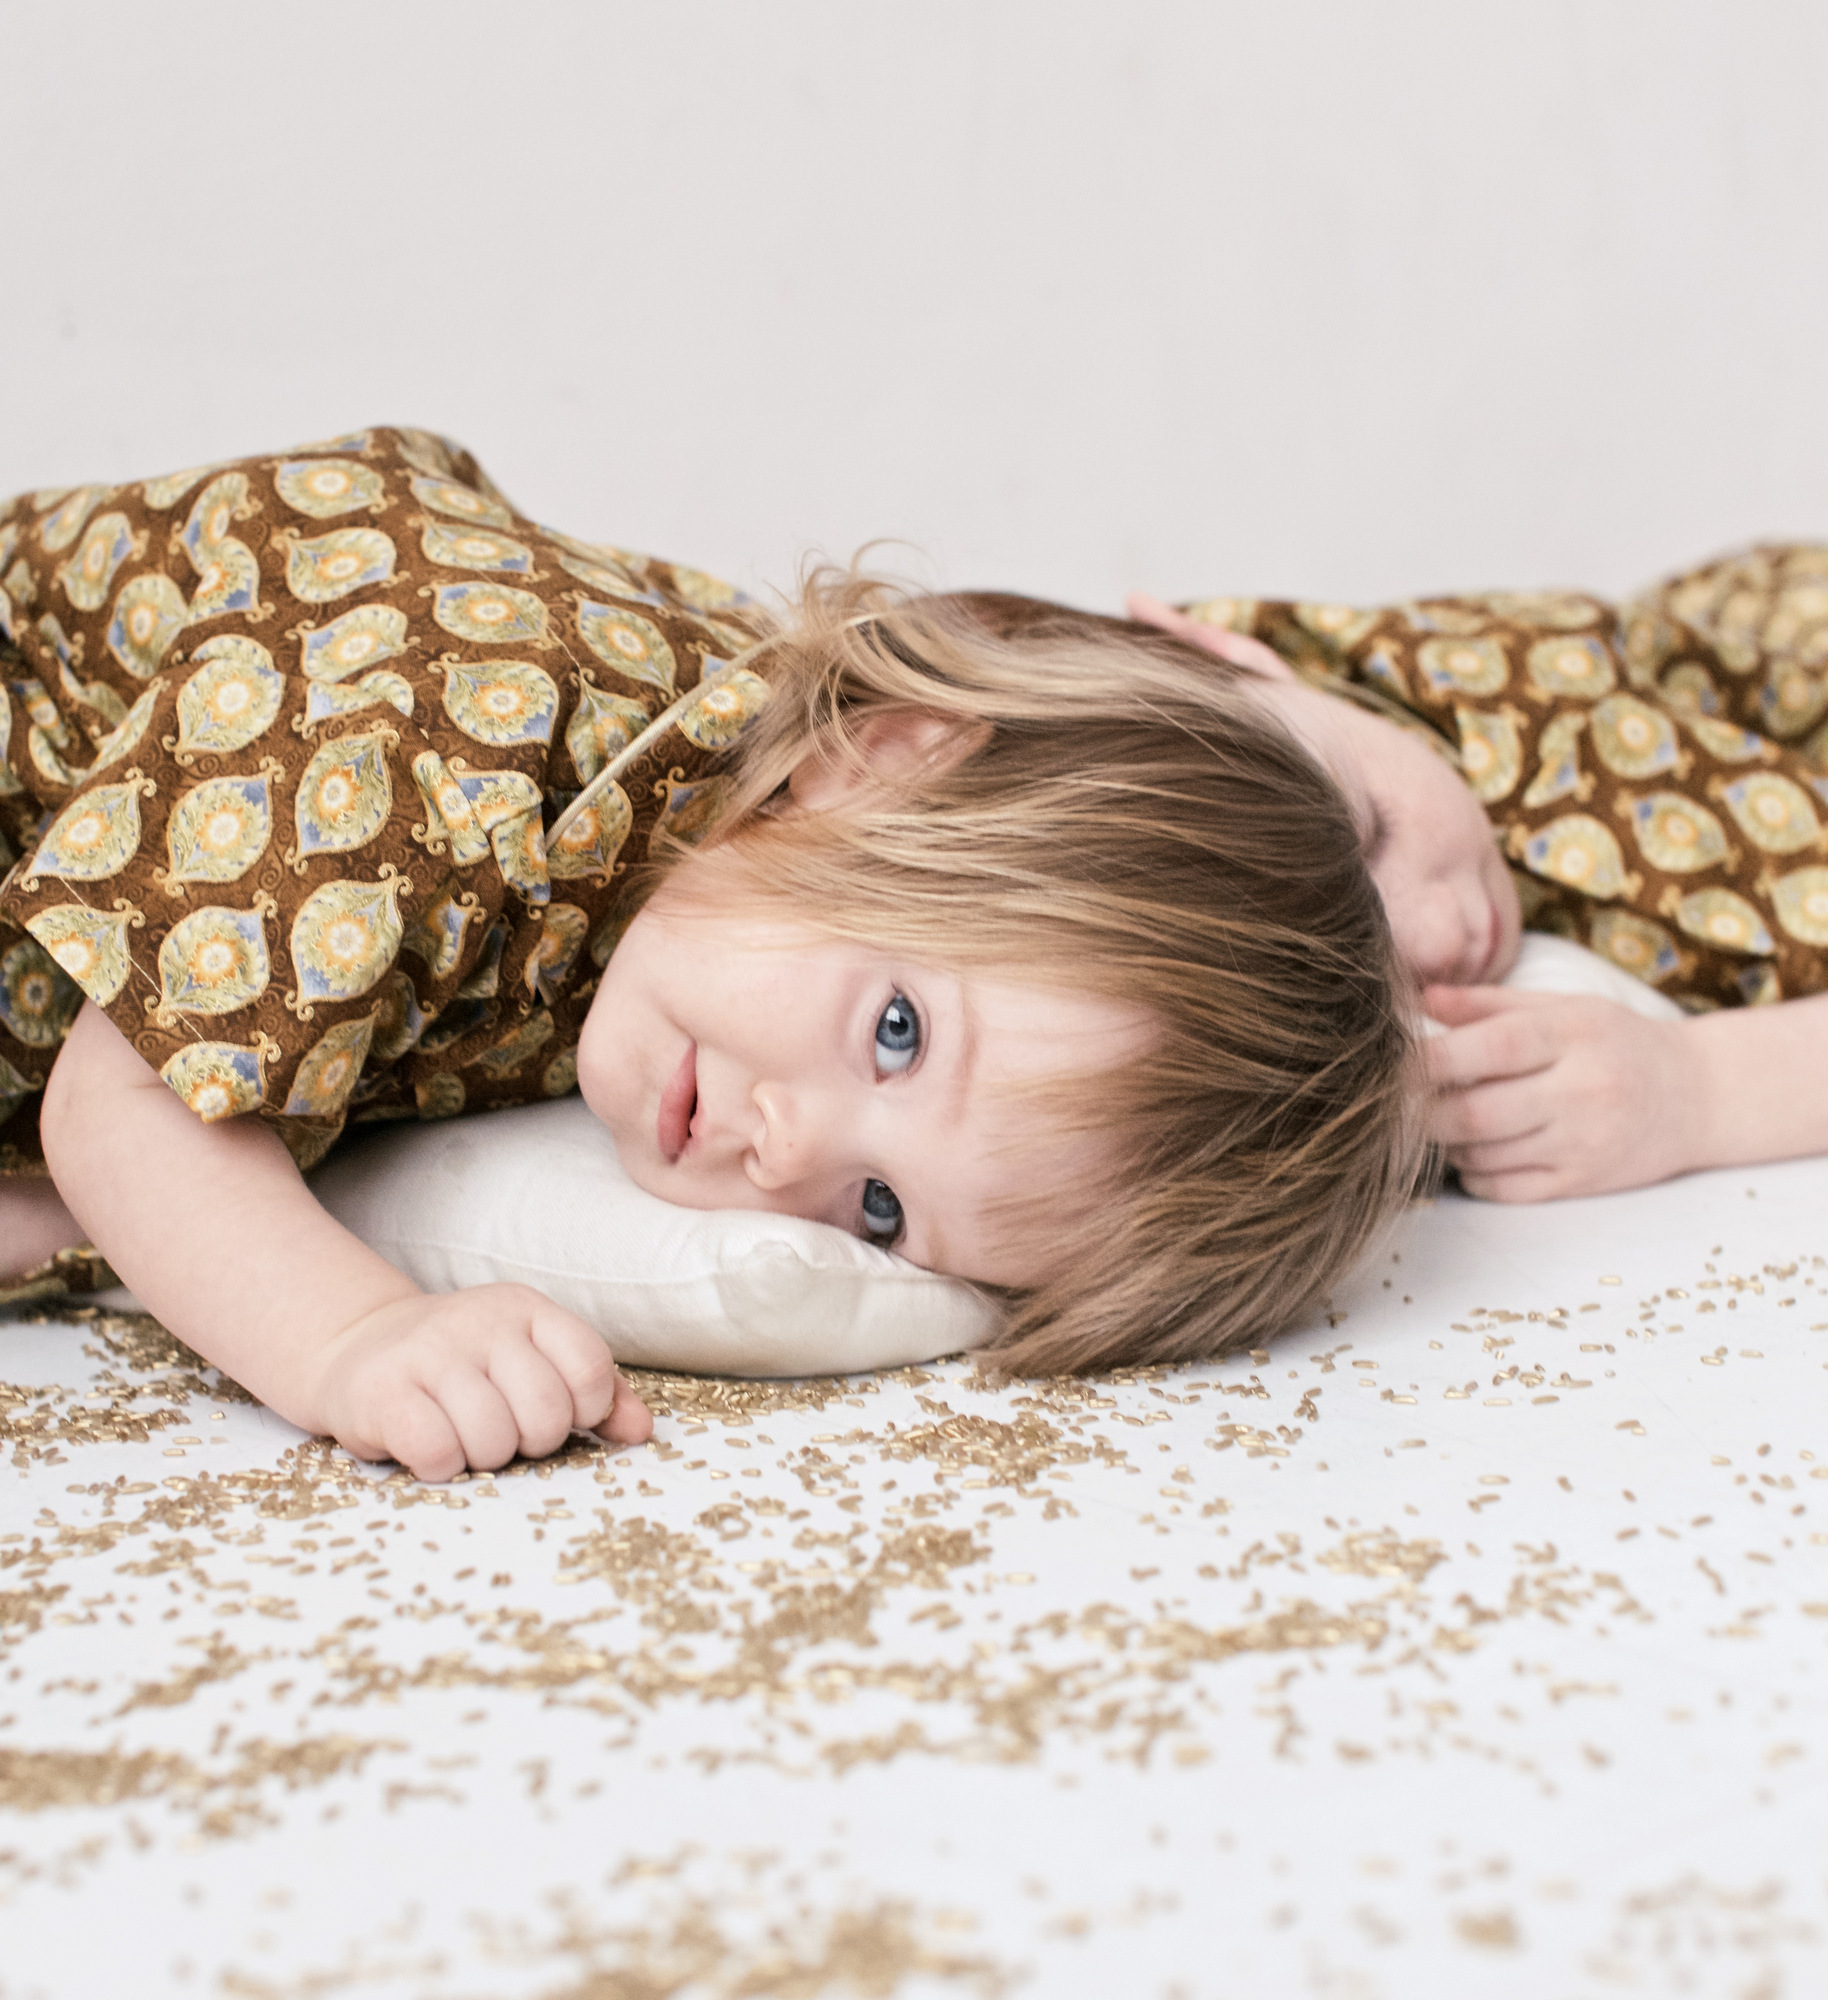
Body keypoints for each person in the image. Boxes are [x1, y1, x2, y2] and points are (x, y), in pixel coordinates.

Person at [0, 428, 1417, 1480]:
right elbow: (121, 1108)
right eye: (898, 1034)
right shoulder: (445, 734)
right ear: (882, 763)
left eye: (879, 1209)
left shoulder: (740, 859)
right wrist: (351, 1338)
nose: (788, 1158)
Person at [1130, 548, 1828, 1204]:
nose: (1441, 937)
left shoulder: (1564, 733)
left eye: (1376, 830)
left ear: (1225, 651)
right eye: (1364, 977)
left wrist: (1696, 1087)